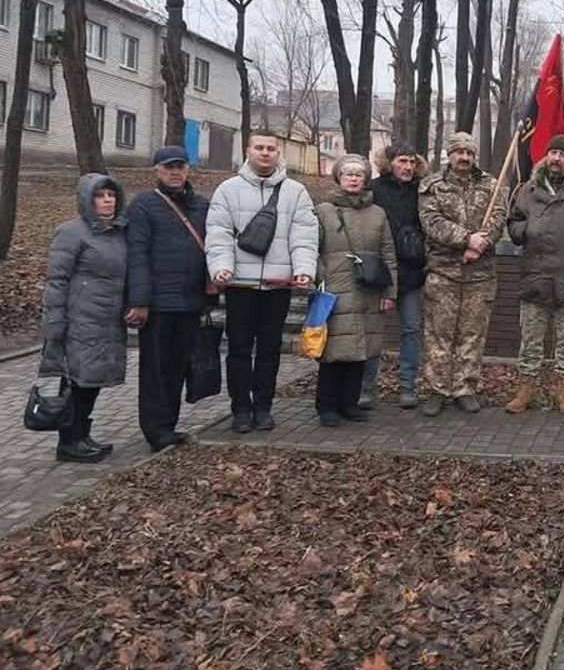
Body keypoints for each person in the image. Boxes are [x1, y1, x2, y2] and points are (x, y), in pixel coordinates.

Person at [206, 129, 319, 433]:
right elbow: (218, 234)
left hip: (277, 286)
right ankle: (241, 408)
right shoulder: (228, 190)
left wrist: (304, 269)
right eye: (259, 147)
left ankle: (264, 406)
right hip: (240, 285)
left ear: (278, 153)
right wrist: (221, 268)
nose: (265, 153)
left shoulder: (295, 192)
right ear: (248, 151)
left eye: (271, 148)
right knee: (240, 349)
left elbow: (304, 236)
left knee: (270, 349)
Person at [39, 174, 133, 463]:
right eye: (100, 195)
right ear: (86, 200)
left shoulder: (118, 233)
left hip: (108, 318)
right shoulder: (71, 232)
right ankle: (68, 441)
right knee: (77, 380)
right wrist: (54, 320)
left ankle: (81, 434)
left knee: (92, 380)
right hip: (80, 318)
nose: (107, 200)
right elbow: (57, 280)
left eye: (111, 195)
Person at [125, 146, 211, 452]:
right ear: (157, 171)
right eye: (168, 167)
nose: (175, 172)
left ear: (188, 170)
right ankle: (155, 429)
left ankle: (169, 426)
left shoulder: (201, 205)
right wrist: (139, 300)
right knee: (155, 369)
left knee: (178, 367)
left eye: (180, 167)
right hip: (159, 303)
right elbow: (136, 254)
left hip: (190, 301)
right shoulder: (144, 205)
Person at [506, 134, 564, 415]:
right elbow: (513, 222)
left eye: (562, 154)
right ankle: (527, 388)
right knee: (531, 339)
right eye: (552, 153)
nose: (556, 158)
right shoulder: (528, 189)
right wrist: (527, 230)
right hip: (535, 276)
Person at [418, 131, 507, 416]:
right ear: (450, 154)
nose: (464, 157)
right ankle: (437, 389)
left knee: (472, 335)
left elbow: (498, 218)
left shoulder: (491, 184)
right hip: (443, 273)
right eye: (459, 152)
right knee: (439, 335)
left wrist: (481, 245)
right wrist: (467, 239)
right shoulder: (432, 185)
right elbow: (431, 221)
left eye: (469, 153)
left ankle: (465, 388)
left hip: (480, 275)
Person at [313, 155, 398, 426]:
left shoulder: (378, 213)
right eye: (348, 173)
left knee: (362, 347)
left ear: (366, 179)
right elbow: (311, 248)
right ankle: (327, 406)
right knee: (334, 349)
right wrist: (320, 278)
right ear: (338, 177)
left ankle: (350, 403)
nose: (353, 178)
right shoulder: (324, 210)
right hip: (335, 290)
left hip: (369, 289)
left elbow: (388, 253)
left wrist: (390, 292)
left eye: (359, 174)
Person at [360, 143, 427, 409]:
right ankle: (366, 387)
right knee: (373, 331)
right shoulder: (373, 191)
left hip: (412, 275)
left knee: (411, 330)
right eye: (402, 161)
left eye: (411, 162)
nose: (408, 167)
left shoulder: (422, 191)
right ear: (390, 163)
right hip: (380, 274)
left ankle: (408, 385)